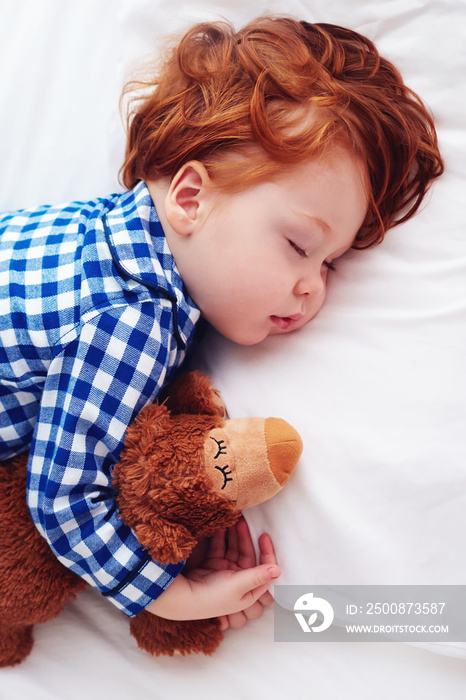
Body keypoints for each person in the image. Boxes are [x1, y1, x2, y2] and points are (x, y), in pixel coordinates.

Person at [0, 17, 443, 630]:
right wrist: (173, 598)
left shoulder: (91, 226)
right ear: (190, 198)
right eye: (297, 244)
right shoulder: (132, 319)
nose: (312, 286)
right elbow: (62, 497)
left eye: (331, 263)